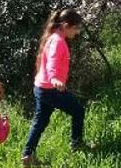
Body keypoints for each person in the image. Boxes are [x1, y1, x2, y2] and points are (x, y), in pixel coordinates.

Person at [22, 9, 88, 167]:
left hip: (41, 87)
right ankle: (76, 144)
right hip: (51, 88)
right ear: (65, 25)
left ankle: (27, 154)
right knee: (78, 111)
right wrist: (54, 79)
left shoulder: (53, 37)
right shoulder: (58, 41)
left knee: (40, 121)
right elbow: (52, 63)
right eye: (76, 28)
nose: (77, 32)